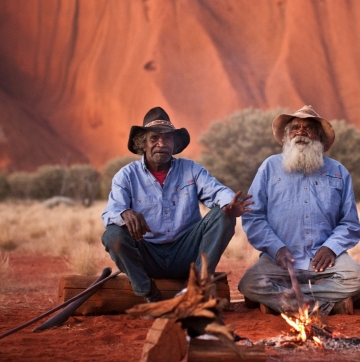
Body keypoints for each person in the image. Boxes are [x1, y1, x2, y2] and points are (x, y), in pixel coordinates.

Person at [101, 107, 252, 302]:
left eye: (168, 139)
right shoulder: (126, 175)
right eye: (154, 138)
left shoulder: (191, 170)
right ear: (143, 144)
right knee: (113, 234)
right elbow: (110, 213)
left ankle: (196, 288)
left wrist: (229, 203)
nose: (161, 144)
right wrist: (124, 214)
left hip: (187, 254)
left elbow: (218, 191)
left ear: (174, 144)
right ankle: (148, 293)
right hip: (148, 256)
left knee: (224, 216)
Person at [238, 105, 360, 314]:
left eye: (308, 128)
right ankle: (323, 304)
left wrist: (331, 248)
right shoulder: (269, 167)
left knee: (359, 280)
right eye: (295, 128)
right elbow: (254, 216)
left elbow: (349, 223)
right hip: (281, 260)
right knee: (249, 284)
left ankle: (291, 302)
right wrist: (276, 248)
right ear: (287, 136)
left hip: (325, 262)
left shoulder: (338, 172)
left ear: (319, 137)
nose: (301, 132)